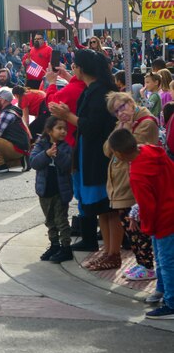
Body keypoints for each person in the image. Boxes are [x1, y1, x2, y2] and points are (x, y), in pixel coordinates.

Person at [51, 49, 117, 255]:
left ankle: (111, 253)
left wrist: (66, 115)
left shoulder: (99, 92)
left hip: (98, 156)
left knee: (106, 208)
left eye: (75, 65)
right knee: (101, 210)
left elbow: (92, 126)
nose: (73, 68)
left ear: (82, 68)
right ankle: (107, 252)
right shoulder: (93, 89)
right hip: (88, 153)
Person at [107, 129, 174, 319]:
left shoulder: (138, 174)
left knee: (167, 261)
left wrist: (146, 227)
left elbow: (148, 207)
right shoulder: (152, 150)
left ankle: (171, 303)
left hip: (163, 219)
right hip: (169, 210)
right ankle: (162, 290)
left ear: (118, 153)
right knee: (163, 259)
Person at [103, 91, 159, 278]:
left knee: (139, 231)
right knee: (130, 231)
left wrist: (123, 131)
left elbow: (128, 147)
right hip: (120, 186)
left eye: (122, 106)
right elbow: (107, 150)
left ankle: (147, 266)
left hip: (134, 187)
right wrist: (120, 129)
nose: (121, 113)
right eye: (116, 111)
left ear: (131, 102)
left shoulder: (146, 122)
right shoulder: (122, 125)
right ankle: (141, 263)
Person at [30, 116, 73, 263]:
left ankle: (66, 248)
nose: (63, 131)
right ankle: (54, 245)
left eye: (65, 129)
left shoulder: (66, 147)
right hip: (45, 190)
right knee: (50, 220)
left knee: (61, 220)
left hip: (61, 191)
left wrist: (58, 154)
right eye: (59, 128)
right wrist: (47, 154)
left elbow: (68, 165)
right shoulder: (41, 145)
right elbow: (34, 162)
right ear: (49, 131)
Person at [0, 89, 31, 174]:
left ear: (3, 100)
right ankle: (21, 159)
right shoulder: (12, 110)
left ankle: (1, 166)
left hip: (17, 148)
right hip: (21, 146)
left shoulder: (7, 113)